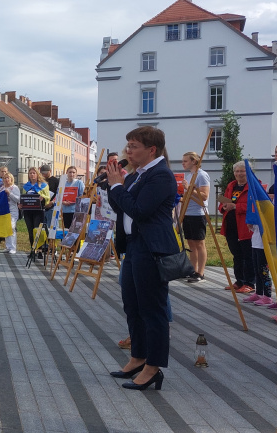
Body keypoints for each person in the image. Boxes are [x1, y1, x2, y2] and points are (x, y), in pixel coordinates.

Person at [106, 126, 178, 391]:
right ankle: (138, 357)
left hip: (151, 249)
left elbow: (139, 210)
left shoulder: (160, 175)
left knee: (152, 309)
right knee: (133, 306)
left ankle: (153, 366)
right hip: (135, 246)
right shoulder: (139, 174)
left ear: (151, 150)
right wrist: (114, 185)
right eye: (128, 145)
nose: (128, 151)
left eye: (133, 146)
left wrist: (117, 187)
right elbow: (120, 206)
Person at [219, 161, 254, 294]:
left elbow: (254, 206)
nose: (239, 174)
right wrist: (223, 206)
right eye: (237, 171)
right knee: (236, 255)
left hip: (246, 227)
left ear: (248, 172)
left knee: (248, 256)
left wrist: (236, 207)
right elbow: (224, 201)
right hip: (231, 226)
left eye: (242, 171)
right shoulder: (231, 185)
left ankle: (249, 282)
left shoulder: (253, 186)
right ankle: (239, 281)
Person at [180, 152, 211, 283]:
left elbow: (204, 196)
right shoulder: (189, 175)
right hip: (188, 212)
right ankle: (193, 270)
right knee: (191, 243)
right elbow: (189, 195)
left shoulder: (202, 175)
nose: (183, 163)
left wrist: (189, 190)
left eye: (185, 161)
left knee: (199, 243)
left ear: (193, 161)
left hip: (198, 213)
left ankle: (201, 272)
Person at [22, 167, 50, 255]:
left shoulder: (44, 185)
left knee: (37, 230)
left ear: (37, 174)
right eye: (30, 173)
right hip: (28, 211)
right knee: (30, 231)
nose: (32, 175)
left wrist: (43, 198)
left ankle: (40, 250)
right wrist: (21, 204)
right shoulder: (26, 186)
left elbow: (48, 197)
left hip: (39, 211)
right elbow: (23, 198)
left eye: (34, 173)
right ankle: (33, 250)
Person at [3, 173, 21, 254]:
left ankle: (13, 247)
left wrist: (9, 193)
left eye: (8, 178)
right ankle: (8, 246)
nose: (7, 179)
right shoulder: (2, 188)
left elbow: (18, 199)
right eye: (5, 178)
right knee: (6, 228)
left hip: (13, 211)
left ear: (11, 179)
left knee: (12, 227)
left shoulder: (14, 188)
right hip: (4, 211)